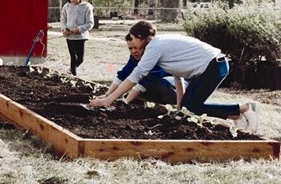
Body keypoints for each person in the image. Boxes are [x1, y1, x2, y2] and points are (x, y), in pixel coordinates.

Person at [90, 20, 259, 132]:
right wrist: (179, 106)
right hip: (211, 67)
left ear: (141, 38)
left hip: (214, 66)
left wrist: (108, 100)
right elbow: (178, 78)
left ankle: (243, 108)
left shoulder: (154, 48)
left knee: (192, 109)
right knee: (185, 110)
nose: (132, 43)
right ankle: (237, 116)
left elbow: (136, 75)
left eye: (133, 39)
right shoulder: (158, 45)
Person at [101, 34, 177, 106]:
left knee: (162, 83)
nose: (133, 51)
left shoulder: (154, 55)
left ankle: (175, 105)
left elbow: (150, 77)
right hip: (153, 86)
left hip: (174, 83)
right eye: (130, 48)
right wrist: (107, 95)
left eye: (136, 48)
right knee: (136, 88)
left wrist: (125, 101)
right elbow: (124, 74)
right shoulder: (134, 57)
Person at [61, 0, 94, 76]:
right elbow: (63, 20)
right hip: (69, 37)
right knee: (73, 57)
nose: (72, 0)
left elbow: (90, 23)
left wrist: (79, 29)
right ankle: (74, 76)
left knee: (80, 59)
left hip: (81, 37)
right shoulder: (66, 6)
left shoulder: (87, 7)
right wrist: (64, 29)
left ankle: (71, 70)